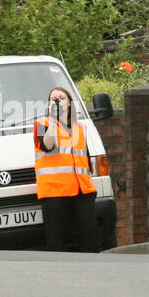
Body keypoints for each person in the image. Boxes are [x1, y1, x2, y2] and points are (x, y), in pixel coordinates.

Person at [34, 86, 100, 252]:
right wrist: (52, 119)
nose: (57, 101)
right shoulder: (42, 124)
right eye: (53, 99)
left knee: (90, 236)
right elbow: (47, 146)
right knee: (57, 241)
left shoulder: (79, 128)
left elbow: (85, 158)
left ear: (70, 103)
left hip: (82, 191)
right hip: (55, 192)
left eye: (61, 98)